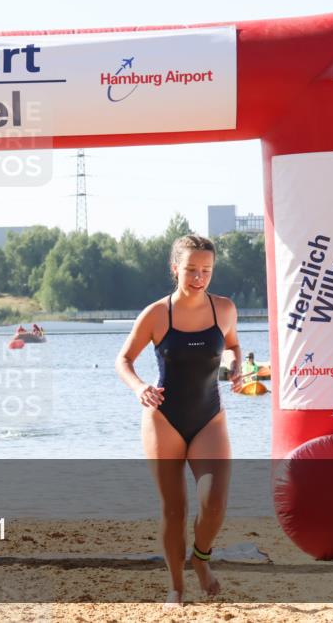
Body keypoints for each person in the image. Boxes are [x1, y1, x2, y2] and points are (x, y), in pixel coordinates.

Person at [115, 234, 241, 607]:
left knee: (214, 503)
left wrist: (235, 366)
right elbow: (123, 360)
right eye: (191, 270)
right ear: (175, 268)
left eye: (206, 270)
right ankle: (176, 587)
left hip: (209, 418)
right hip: (163, 418)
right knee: (174, 509)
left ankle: (201, 559)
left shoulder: (224, 309)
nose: (199, 277)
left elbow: (233, 345)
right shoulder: (157, 314)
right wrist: (139, 387)